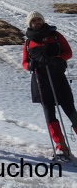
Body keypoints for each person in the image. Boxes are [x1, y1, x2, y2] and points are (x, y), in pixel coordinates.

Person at [22, 11, 77, 158]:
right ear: (30, 24)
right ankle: (61, 146)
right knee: (49, 114)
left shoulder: (55, 36)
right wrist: (30, 65)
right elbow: (24, 62)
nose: (37, 22)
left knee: (71, 110)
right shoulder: (28, 42)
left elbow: (68, 52)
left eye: (39, 19)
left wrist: (58, 59)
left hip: (58, 78)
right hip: (40, 81)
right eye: (34, 20)